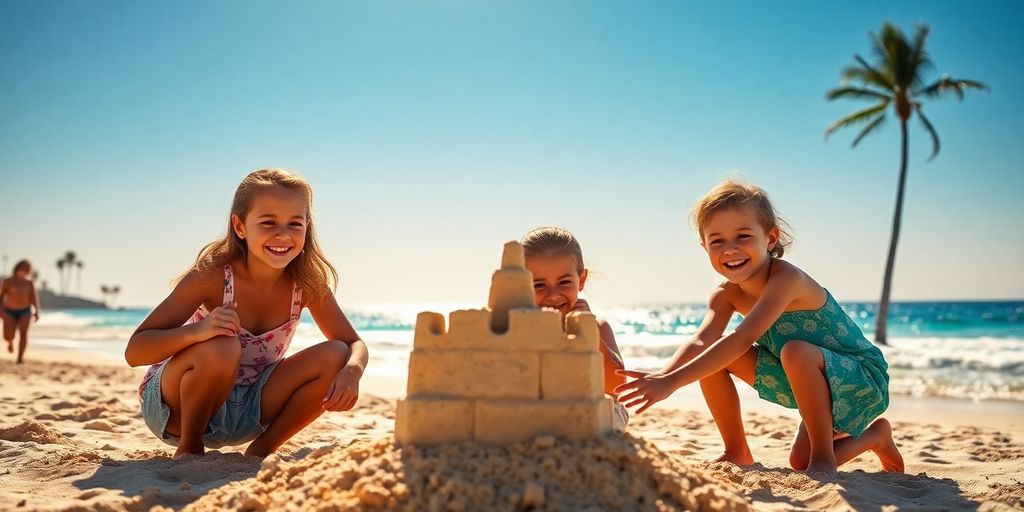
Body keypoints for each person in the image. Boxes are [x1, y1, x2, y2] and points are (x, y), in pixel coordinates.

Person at [615, 179, 903, 474]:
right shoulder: (725, 295)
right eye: (717, 241)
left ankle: (824, 458)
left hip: (860, 377)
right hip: (806, 382)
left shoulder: (786, 280)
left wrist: (672, 383)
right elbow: (702, 341)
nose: (730, 249)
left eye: (742, 236)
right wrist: (664, 376)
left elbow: (743, 338)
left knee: (792, 351)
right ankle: (739, 450)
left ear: (771, 237)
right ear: (704, 246)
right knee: (797, 461)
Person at [125, 168, 368, 458]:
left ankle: (261, 451)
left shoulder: (306, 284)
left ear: (307, 227)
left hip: (252, 410)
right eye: (268, 222)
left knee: (337, 353)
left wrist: (352, 372)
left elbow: (354, 344)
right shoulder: (212, 276)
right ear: (240, 227)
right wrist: (198, 332)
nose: (283, 234)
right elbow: (135, 352)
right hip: (175, 410)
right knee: (224, 346)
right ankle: (190, 450)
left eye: (295, 223)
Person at [521, 226, 629, 430]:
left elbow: (616, 385)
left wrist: (590, 333)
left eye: (564, 282)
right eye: (539, 285)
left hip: (598, 411)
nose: (553, 294)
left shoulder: (598, 327)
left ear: (581, 280)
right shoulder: (518, 330)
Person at [1, 260, 40, 364]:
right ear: (17, 269)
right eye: (22, 270)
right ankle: (10, 342)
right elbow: (1, 297)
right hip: (9, 310)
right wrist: (1, 310)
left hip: (25, 311)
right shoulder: (8, 281)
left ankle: (20, 358)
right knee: (8, 335)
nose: (23, 272)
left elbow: (34, 298)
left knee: (23, 334)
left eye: (26, 271)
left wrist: (37, 312)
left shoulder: (29, 282)